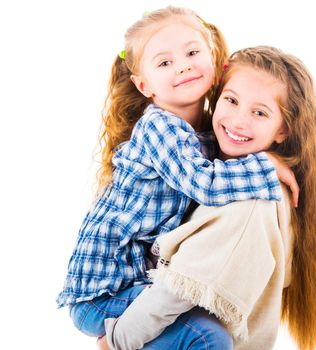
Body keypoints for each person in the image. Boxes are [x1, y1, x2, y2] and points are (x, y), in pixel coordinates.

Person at [56, 6, 298, 349]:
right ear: (144, 85)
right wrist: (266, 164)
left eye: (192, 52)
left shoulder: (208, 133)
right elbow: (206, 183)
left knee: (202, 328)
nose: (183, 64)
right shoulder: (159, 127)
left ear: (213, 60)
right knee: (206, 337)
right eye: (164, 62)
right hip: (105, 289)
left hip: (136, 281)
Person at [99, 46, 316, 350]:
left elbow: (179, 289)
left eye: (260, 113)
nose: (239, 121)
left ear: (284, 130)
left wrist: (115, 341)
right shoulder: (215, 171)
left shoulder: (250, 204)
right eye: (232, 100)